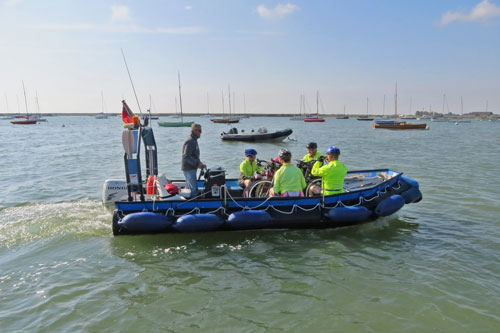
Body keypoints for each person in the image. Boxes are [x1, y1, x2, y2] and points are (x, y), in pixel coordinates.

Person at [181, 123, 206, 198]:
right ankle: (193, 205)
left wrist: (200, 163)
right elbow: (186, 156)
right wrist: (197, 164)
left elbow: (194, 155)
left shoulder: (194, 140)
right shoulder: (190, 141)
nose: (201, 132)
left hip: (191, 167)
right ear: (194, 131)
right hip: (189, 168)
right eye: (199, 131)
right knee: (193, 190)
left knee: (191, 188)